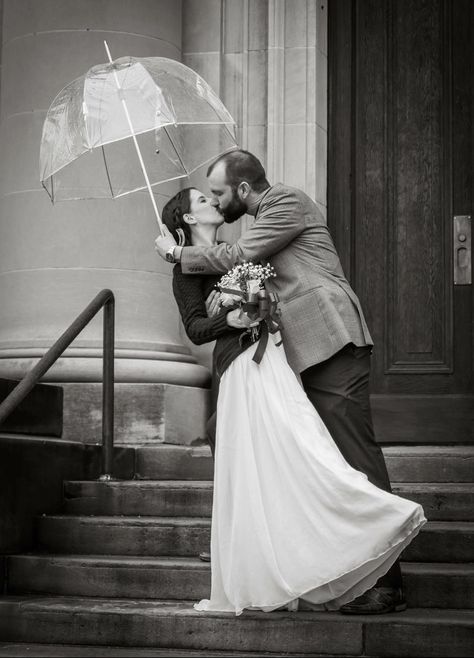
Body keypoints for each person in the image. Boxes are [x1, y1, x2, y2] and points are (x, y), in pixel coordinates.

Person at [158, 182, 426, 617]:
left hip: (276, 359)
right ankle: (252, 548)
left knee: (300, 448)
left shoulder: (239, 249)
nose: (214, 201)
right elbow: (195, 329)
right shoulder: (186, 271)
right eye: (204, 200)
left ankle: (361, 531)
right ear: (188, 218)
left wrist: (261, 307)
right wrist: (231, 317)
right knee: (248, 450)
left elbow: (263, 281)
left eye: (215, 192)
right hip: (238, 364)